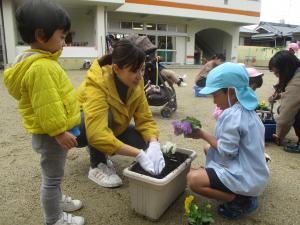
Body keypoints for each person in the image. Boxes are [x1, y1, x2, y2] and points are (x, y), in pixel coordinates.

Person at [3, 1, 84, 225]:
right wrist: (59, 132)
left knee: (54, 176)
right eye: (61, 36)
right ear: (41, 35)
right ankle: (54, 218)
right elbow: (47, 106)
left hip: (48, 133)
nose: (64, 42)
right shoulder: (42, 67)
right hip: (51, 135)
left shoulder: (35, 60)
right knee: (51, 178)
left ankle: (57, 202)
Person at [186, 62, 269, 219]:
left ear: (231, 92)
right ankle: (238, 191)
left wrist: (203, 133)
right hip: (255, 172)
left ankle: (239, 200)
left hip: (245, 177)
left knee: (193, 180)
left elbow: (227, 152)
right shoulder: (247, 109)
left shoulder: (232, 115)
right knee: (208, 148)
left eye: (216, 95)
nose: (214, 101)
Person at [78, 39, 165, 188]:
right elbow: (97, 133)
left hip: (112, 127)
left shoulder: (136, 83)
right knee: (106, 119)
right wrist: (138, 154)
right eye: (134, 70)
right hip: (80, 131)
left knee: (142, 141)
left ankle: (101, 148)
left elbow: (145, 120)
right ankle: (97, 164)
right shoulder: (97, 82)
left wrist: (154, 143)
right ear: (116, 68)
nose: (139, 75)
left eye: (142, 69)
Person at [268, 50, 300, 150]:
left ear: (286, 69)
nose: (276, 75)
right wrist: (280, 95)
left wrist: (279, 136)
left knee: (293, 111)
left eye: (277, 73)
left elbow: (285, 117)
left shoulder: (296, 82)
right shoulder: (296, 72)